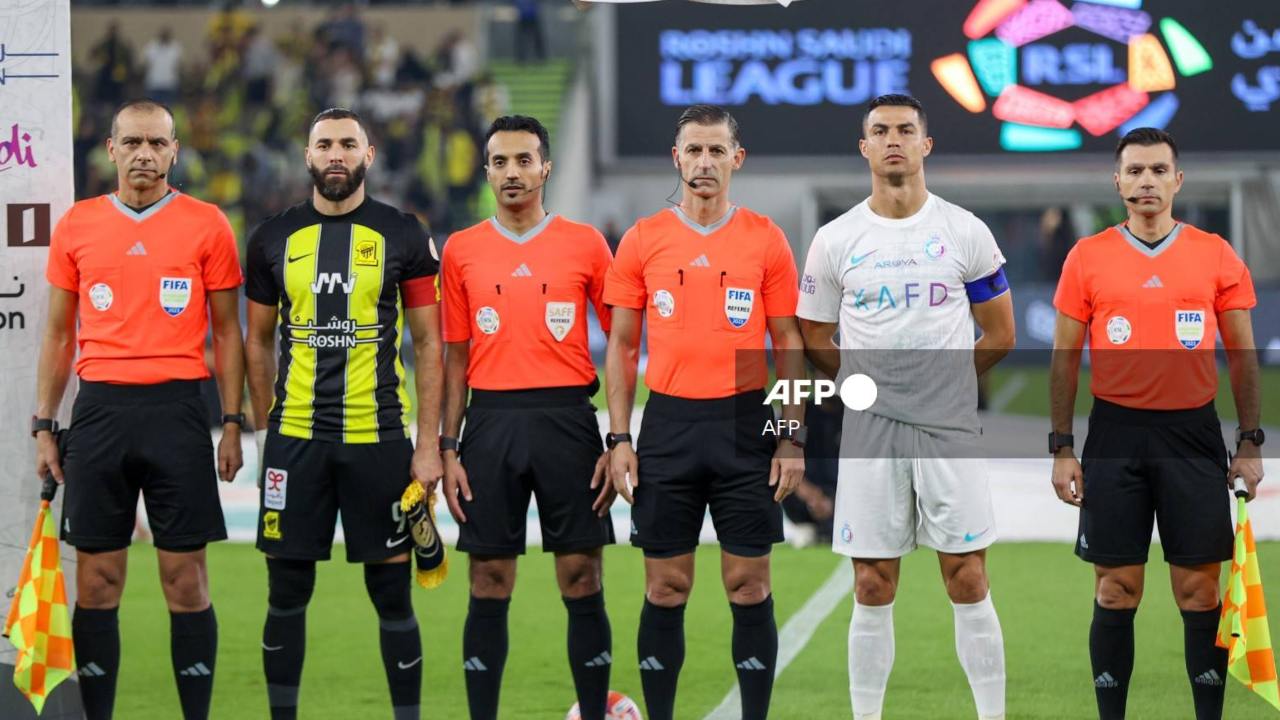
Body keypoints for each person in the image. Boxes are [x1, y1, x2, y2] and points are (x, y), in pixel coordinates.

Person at [797, 94, 1016, 720]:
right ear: (863, 147)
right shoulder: (836, 240)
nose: (893, 140)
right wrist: (868, 388)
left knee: (967, 577)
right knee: (872, 584)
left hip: (948, 430)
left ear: (926, 145)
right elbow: (814, 335)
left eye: (906, 130)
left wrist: (944, 385)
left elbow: (998, 333)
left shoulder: (964, 230)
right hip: (871, 433)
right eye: (880, 131)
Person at [34, 99, 245, 720]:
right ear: (111, 149)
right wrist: (46, 424)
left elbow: (228, 335)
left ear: (175, 150)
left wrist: (232, 421)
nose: (144, 154)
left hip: (178, 409)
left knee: (186, 581)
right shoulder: (77, 225)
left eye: (157, 143)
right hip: (99, 412)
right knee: (98, 583)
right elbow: (56, 335)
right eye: (133, 143)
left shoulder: (207, 225)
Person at [1049, 127, 1264, 720]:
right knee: (1117, 589)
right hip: (1114, 436)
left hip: (1192, 436)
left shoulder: (1215, 253)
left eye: (1158, 170)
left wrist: (1249, 442)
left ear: (1177, 180)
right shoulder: (1087, 257)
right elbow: (1065, 358)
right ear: (1117, 182)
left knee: (1199, 591)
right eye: (1135, 171)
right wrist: (1062, 447)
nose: (1147, 180)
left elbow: (1243, 357)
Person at [603, 104, 805, 720]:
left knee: (749, 584)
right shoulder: (643, 238)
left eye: (717, 151)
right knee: (666, 586)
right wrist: (619, 438)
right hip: (667, 426)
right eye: (694, 150)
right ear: (677, 158)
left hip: (747, 425)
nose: (705, 162)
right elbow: (622, 345)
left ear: (736, 160)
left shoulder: (765, 237)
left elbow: (788, 343)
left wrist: (790, 437)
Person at [243, 108, 444, 720]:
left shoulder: (404, 234)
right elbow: (256, 340)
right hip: (295, 440)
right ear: (307, 156)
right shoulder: (271, 237)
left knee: (391, 593)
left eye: (347, 144)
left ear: (369, 154)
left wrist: (428, 443)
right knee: (287, 593)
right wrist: (261, 430)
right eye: (325, 144)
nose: (336, 154)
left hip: (378, 439)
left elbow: (431, 343)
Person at [438, 114, 616, 720]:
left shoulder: (587, 243)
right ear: (486, 170)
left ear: (545, 167)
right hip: (489, 425)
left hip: (568, 420)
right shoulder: (461, 249)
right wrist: (447, 445)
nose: (511, 173)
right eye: (499, 162)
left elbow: (622, 343)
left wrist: (617, 437)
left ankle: (593, 711)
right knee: (488, 580)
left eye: (523, 160)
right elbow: (455, 355)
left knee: (581, 577)